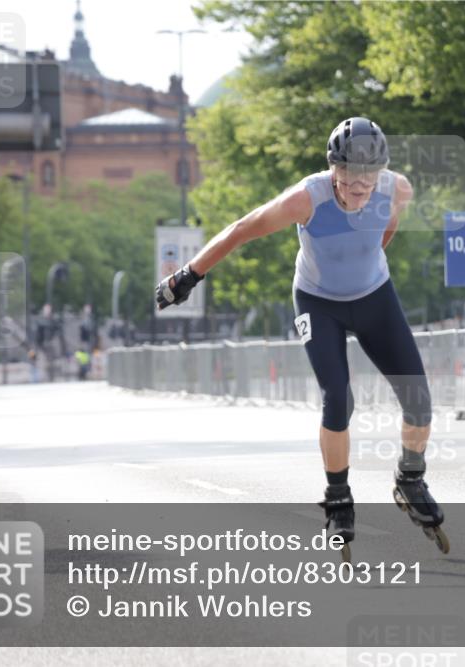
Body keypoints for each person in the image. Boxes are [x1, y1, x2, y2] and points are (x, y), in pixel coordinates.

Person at [156, 117, 447, 556]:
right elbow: (241, 229)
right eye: (348, 177)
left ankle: (410, 478)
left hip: (374, 296)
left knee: (419, 397)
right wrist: (188, 275)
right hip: (318, 302)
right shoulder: (304, 199)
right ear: (334, 169)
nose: (357, 186)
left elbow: (387, 229)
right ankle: (338, 498)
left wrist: (366, 262)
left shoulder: (396, 189)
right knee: (338, 398)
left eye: (367, 178)